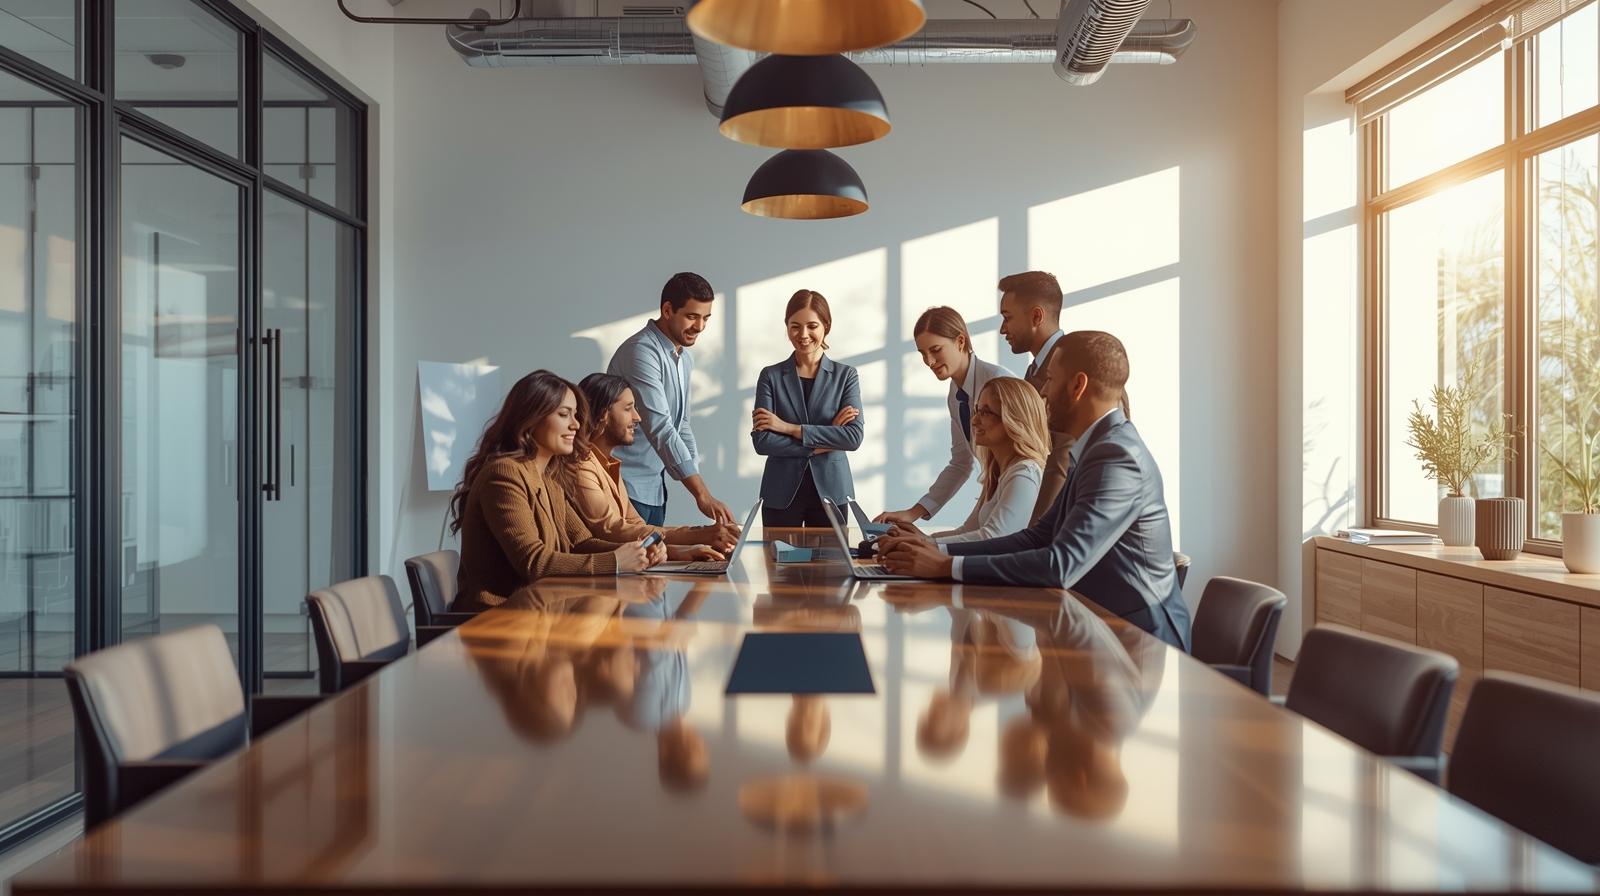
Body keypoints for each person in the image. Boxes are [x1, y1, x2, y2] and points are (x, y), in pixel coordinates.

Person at [877, 331, 1192, 651]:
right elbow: (1039, 537)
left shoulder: (1117, 456)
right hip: (1102, 628)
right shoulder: (1095, 448)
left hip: (1142, 641)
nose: (1042, 391)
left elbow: (1061, 564)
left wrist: (945, 566)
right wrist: (937, 552)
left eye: (1051, 379)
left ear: (1077, 386)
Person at [448, 370, 666, 613]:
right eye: (564, 415)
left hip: (539, 614)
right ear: (531, 419)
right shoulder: (504, 474)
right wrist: (616, 560)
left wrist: (637, 552)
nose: (576, 424)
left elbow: (581, 542)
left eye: (575, 415)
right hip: (497, 620)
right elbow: (535, 563)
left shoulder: (548, 476)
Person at [563, 372, 739, 560]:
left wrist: (684, 552)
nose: (637, 417)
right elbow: (611, 531)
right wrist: (697, 534)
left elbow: (636, 524)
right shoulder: (581, 466)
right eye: (628, 408)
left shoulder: (607, 463)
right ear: (603, 414)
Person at [607, 272, 736, 527]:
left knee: (657, 563)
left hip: (655, 487)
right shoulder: (641, 352)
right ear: (667, 310)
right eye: (692, 316)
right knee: (637, 565)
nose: (699, 327)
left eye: (705, 318)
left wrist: (697, 479)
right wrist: (701, 494)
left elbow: (682, 424)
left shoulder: (683, 357)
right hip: (626, 487)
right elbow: (660, 427)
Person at [875, 306, 1013, 528]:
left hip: (1016, 493)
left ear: (960, 341)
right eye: (922, 353)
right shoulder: (955, 394)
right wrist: (913, 513)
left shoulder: (998, 382)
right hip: (995, 489)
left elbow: (1026, 453)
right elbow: (961, 463)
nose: (929, 361)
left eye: (936, 349)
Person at [751, 290, 864, 528]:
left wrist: (786, 428)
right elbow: (762, 442)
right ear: (787, 327)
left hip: (831, 492)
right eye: (795, 326)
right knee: (777, 565)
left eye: (812, 326)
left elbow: (853, 438)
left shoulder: (846, 376)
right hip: (780, 492)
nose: (803, 335)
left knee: (832, 565)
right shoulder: (770, 376)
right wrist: (828, 438)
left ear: (826, 326)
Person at [923, 377, 1046, 545]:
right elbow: (968, 531)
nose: (974, 421)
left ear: (1014, 419)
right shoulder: (999, 471)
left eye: (986, 413)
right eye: (977, 410)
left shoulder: (1024, 474)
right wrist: (919, 540)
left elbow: (994, 538)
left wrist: (925, 545)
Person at [996, 271, 1072, 522]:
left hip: (1064, 525)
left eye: (1007, 318)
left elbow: (1062, 458)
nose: (1002, 329)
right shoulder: (1034, 371)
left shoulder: (1075, 366)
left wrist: (1034, 531)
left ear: (1036, 316)